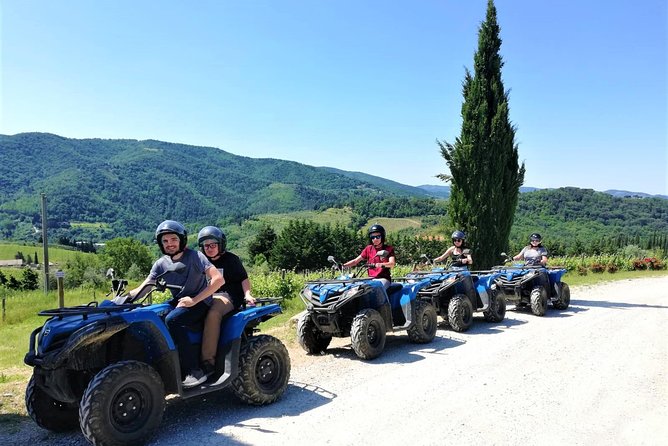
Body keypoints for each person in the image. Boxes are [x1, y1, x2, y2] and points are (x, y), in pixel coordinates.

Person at [129, 220, 223, 389]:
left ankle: (195, 371)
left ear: (181, 240)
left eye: (173, 239)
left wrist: (194, 300)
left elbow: (218, 279)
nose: (169, 244)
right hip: (179, 300)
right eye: (165, 241)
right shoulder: (161, 264)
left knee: (173, 320)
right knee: (150, 317)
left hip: (200, 301)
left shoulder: (196, 257)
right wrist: (122, 299)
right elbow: (144, 287)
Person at [197, 226, 255, 377]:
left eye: (213, 245)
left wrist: (248, 294)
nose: (209, 248)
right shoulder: (201, 261)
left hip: (228, 296)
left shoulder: (231, 259)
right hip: (207, 295)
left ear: (221, 245)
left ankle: (208, 361)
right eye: (206, 245)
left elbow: (243, 279)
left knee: (213, 313)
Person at [343, 224, 396, 288]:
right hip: (370, 279)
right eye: (373, 237)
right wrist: (343, 266)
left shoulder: (388, 249)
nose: (375, 239)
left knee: (377, 289)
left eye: (378, 236)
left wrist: (380, 264)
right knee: (357, 289)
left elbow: (392, 264)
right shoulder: (368, 249)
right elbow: (355, 261)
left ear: (382, 236)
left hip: (383, 279)